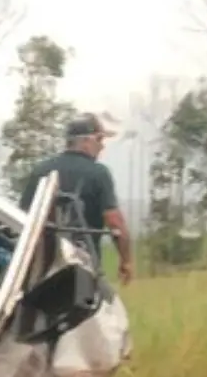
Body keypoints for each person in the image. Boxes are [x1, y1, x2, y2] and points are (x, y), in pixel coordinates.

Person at [16, 113, 135, 285]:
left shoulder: (41, 170)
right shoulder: (98, 173)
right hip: (82, 269)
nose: (102, 147)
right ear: (86, 141)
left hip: (39, 270)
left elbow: (23, 217)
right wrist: (126, 261)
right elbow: (114, 221)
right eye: (99, 140)